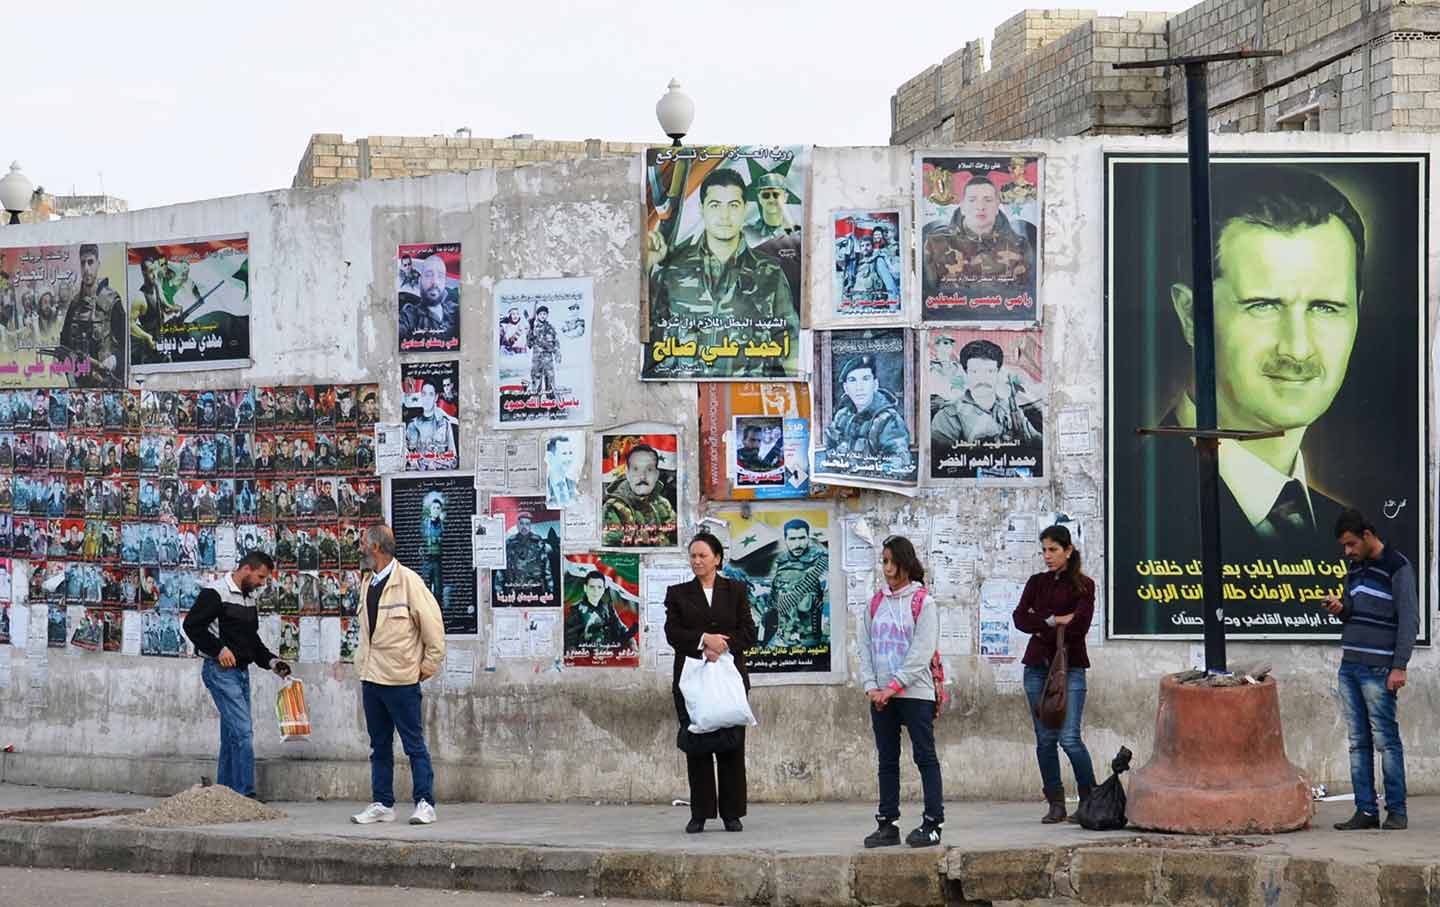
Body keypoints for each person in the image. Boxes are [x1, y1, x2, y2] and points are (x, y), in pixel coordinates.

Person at [1155, 167, 1361, 558]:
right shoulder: (1138, 509)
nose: (1298, 350)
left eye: (1325, 307)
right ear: (1190, 315)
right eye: (1263, 306)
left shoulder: (1341, 528)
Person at [646, 168, 796, 377]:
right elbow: (643, 337)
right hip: (684, 399)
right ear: (701, 209)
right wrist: (649, 262)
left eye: (733, 205)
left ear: (744, 209)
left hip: (745, 400)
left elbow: (792, 347)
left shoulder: (770, 272)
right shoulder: (672, 270)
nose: (724, 216)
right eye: (715, 205)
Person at [1324, 509, 1417, 831]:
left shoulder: (1398, 566)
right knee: (1357, 741)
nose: (1347, 552)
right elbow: (1352, 612)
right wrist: (1341, 608)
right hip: (1349, 666)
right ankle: (1365, 811)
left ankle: (1397, 811)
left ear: (1367, 535)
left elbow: (1409, 620)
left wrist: (1399, 667)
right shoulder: (1355, 567)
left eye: (1351, 544)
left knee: (1386, 741)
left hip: (1379, 669)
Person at [350, 525, 446, 826]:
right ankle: (382, 803)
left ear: (376, 548)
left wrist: (423, 668)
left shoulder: (409, 582)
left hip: (402, 680)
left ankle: (425, 803)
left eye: (363, 544)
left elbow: (433, 629)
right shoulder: (368, 582)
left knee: (413, 744)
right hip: (371, 677)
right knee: (379, 745)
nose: (360, 549)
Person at [664, 532, 758, 833]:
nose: (697, 561)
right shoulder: (678, 594)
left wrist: (723, 645)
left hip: (728, 676)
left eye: (703, 555)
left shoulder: (736, 590)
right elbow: (673, 634)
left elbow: (749, 633)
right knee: (698, 744)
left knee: (731, 742)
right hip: (692, 678)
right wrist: (704, 641)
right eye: (693, 556)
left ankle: (732, 813)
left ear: (717, 558)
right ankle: (700, 812)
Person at [854, 535, 944, 848]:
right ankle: (887, 823)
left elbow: (921, 652)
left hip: (914, 693)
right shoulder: (874, 603)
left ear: (905, 563)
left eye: (891, 561)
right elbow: (864, 647)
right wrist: (871, 688)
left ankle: (933, 823)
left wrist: (892, 687)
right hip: (880, 696)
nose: (887, 569)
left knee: (925, 757)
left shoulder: (923, 602)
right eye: (884, 561)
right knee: (887, 760)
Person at [182, 552, 290, 799]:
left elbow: (251, 641)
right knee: (243, 732)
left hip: (241, 673)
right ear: (246, 569)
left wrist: (272, 662)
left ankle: (226, 794)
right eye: (261, 576)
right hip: (220, 672)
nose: (263, 583)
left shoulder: (249, 598)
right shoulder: (215, 593)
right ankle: (245, 795)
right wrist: (219, 649)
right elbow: (191, 626)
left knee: (233, 734)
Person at [1012, 524, 1097, 824]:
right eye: (1044, 550)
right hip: (1037, 669)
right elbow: (1020, 617)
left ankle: (1089, 800)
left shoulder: (1084, 585)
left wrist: (1044, 624)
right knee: (1045, 739)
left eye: (1053, 550)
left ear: (1068, 550)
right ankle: (1056, 802)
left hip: (1070, 668)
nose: (1047, 556)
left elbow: (1079, 628)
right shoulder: (1037, 582)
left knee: (1070, 738)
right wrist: (1052, 621)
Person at [922, 173, 1035, 306]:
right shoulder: (936, 245)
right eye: (972, 200)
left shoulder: (1019, 246)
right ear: (962, 206)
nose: (980, 207)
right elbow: (927, 298)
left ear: (997, 206)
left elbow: (1026, 297)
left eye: (987, 200)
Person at [931, 338, 1042, 450]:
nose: (982, 379)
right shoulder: (948, 415)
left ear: (998, 373)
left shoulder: (1010, 409)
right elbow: (941, 458)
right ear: (966, 373)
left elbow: (1038, 444)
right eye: (975, 371)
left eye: (989, 371)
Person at [822, 354, 912, 475]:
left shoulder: (888, 420)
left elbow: (899, 466)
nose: (859, 387)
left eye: (865, 379)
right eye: (852, 380)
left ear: (875, 384)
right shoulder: (842, 416)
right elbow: (829, 449)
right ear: (846, 388)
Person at [58, 243, 126, 387]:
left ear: (98, 264)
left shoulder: (112, 301)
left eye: (90, 262)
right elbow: (64, 345)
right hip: (79, 385)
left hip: (107, 383)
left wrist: (113, 361)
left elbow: (126, 344)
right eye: (83, 263)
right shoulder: (74, 305)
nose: (86, 269)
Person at [767, 519, 829, 648]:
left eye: (802, 538)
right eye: (792, 539)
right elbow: (773, 600)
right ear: (786, 540)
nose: (798, 544)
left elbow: (830, 605)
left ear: (808, 537)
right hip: (783, 639)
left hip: (810, 640)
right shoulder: (780, 562)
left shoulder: (822, 561)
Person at [601, 443, 675, 547]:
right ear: (627, 473)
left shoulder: (663, 504)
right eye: (636, 469)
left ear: (657, 474)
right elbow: (613, 549)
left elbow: (676, 538)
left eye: (649, 470)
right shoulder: (613, 507)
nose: (642, 477)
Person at [564, 570, 637, 655]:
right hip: (586, 657)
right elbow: (569, 641)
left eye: (599, 587)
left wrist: (632, 643)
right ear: (585, 588)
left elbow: (621, 628)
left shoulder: (608, 608)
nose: (596, 591)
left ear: (603, 589)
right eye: (592, 587)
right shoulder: (576, 609)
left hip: (609, 655)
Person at [398, 255, 458, 347]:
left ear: (445, 281)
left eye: (440, 276)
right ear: (420, 280)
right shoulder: (408, 317)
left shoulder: (456, 311)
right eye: (428, 275)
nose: (434, 281)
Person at [405, 380, 456, 470]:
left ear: (436, 397)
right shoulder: (412, 425)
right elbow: (405, 458)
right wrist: (414, 463)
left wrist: (436, 464)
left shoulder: (445, 424)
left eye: (431, 394)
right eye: (424, 394)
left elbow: (454, 460)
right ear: (420, 396)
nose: (427, 398)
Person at [527, 305, 560, 395]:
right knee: (536, 381)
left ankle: (551, 403)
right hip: (537, 360)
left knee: (550, 381)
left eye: (544, 314)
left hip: (548, 359)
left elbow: (556, 342)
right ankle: (536, 404)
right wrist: (530, 332)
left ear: (547, 315)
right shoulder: (533, 327)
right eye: (541, 314)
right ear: (537, 315)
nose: (543, 316)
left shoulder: (551, 328)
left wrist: (558, 354)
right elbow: (529, 345)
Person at [544, 434, 579, 508]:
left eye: (570, 453)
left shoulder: (575, 486)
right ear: (550, 456)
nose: (569, 459)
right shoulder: (544, 488)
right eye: (564, 453)